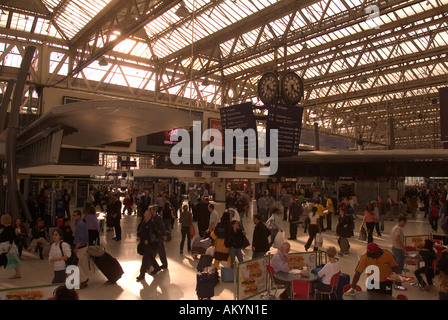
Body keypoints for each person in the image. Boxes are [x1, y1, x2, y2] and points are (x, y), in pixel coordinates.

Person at [136, 208, 162, 280]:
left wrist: (149, 240)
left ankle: (142, 274)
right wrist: (138, 236)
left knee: (145, 258)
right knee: (150, 256)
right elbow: (139, 229)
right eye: (144, 214)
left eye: (146, 214)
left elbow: (156, 234)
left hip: (149, 244)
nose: (144, 215)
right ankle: (157, 267)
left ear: (149, 216)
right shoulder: (143, 222)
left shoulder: (152, 224)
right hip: (143, 242)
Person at [0, 214, 22, 279]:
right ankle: (18, 273)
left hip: (7, 248)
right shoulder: (8, 228)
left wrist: (9, 247)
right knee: (13, 260)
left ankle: (18, 274)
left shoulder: (9, 228)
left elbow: (11, 238)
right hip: (6, 247)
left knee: (2, 260)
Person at [72, 209, 89, 289]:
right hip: (83, 246)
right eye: (73, 215)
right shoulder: (79, 223)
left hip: (81, 247)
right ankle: (82, 280)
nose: (73, 217)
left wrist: (76, 247)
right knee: (81, 263)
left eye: (75, 215)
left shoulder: (79, 224)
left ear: (79, 216)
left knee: (75, 263)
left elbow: (80, 238)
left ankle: (84, 279)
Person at [149, 204, 168, 270]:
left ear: (154, 210)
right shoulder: (152, 217)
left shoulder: (158, 218)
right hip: (154, 237)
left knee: (160, 251)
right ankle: (150, 264)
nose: (150, 211)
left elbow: (162, 226)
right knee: (154, 251)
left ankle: (164, 264)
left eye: (151, 210)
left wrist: (164, 235)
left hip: (158, 237)